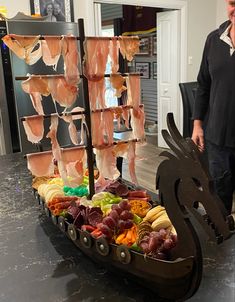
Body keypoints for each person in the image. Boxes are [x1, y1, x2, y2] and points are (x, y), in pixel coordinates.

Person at [192, 0, 235, 215]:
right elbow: (203, 84)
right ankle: (222, 243)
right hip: (217, 137)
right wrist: (197, 125)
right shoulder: (214, 39)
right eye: (233, 3)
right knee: (219, 198)